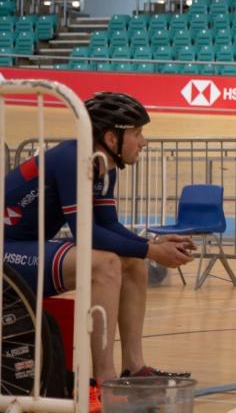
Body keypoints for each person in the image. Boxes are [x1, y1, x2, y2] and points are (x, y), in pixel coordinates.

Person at [3, 92, 195, 407]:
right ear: (111, 137)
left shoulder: (105, 167)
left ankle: (134, 367)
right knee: (104, 264)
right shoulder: (73, 159)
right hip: (7, 251)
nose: (143, 142)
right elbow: (86, 233)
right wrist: (150, 249)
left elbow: (110, 226)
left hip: (27, 245)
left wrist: (151, 248)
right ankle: (101, 381)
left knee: (133, 262)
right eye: (136, 133)